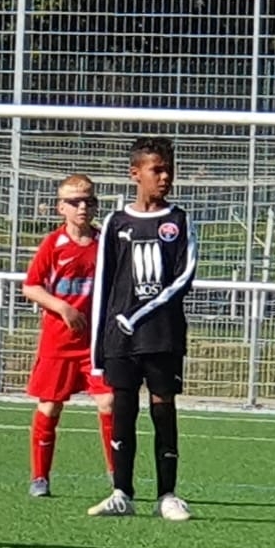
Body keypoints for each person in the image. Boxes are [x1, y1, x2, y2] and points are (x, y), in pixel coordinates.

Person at [86, 136, 198, 521]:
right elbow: (103, 286)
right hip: (120, 338)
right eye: (157, 170)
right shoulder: (116, 223)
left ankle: (167, 494)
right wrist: (97, 352)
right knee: (123, 409)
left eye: (169, 170)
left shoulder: (179, 220)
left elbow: (182, 278)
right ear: (135, 173)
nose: (165, 177)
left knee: (163, 408)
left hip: (163, 336)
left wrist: (138, 314)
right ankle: (122, 492)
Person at [20, 174, 115, 498]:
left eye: (89, 201)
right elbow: (31, 286)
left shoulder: (106, 243)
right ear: (61, 207)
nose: (82, 207)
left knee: (109, 402)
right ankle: (40, 477)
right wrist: (63, 308)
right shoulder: (53, 244)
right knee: (50, 407)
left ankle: (117, 475)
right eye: (74, 202)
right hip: (58, 342)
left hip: (95, 345)